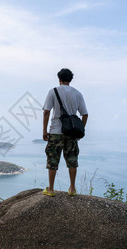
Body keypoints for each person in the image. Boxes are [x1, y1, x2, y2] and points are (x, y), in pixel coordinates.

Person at [42, 68, 88, 196]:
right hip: (71, 133)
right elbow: (85, 114)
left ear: (59, 79)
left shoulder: (53, 91)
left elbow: (46, 112)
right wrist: (80, 130)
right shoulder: (78, 93)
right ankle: (72, 189)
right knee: (72, 160)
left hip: (56, 131)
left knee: (53, 159)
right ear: (70, 79)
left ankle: (50, 189)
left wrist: (45, 131)